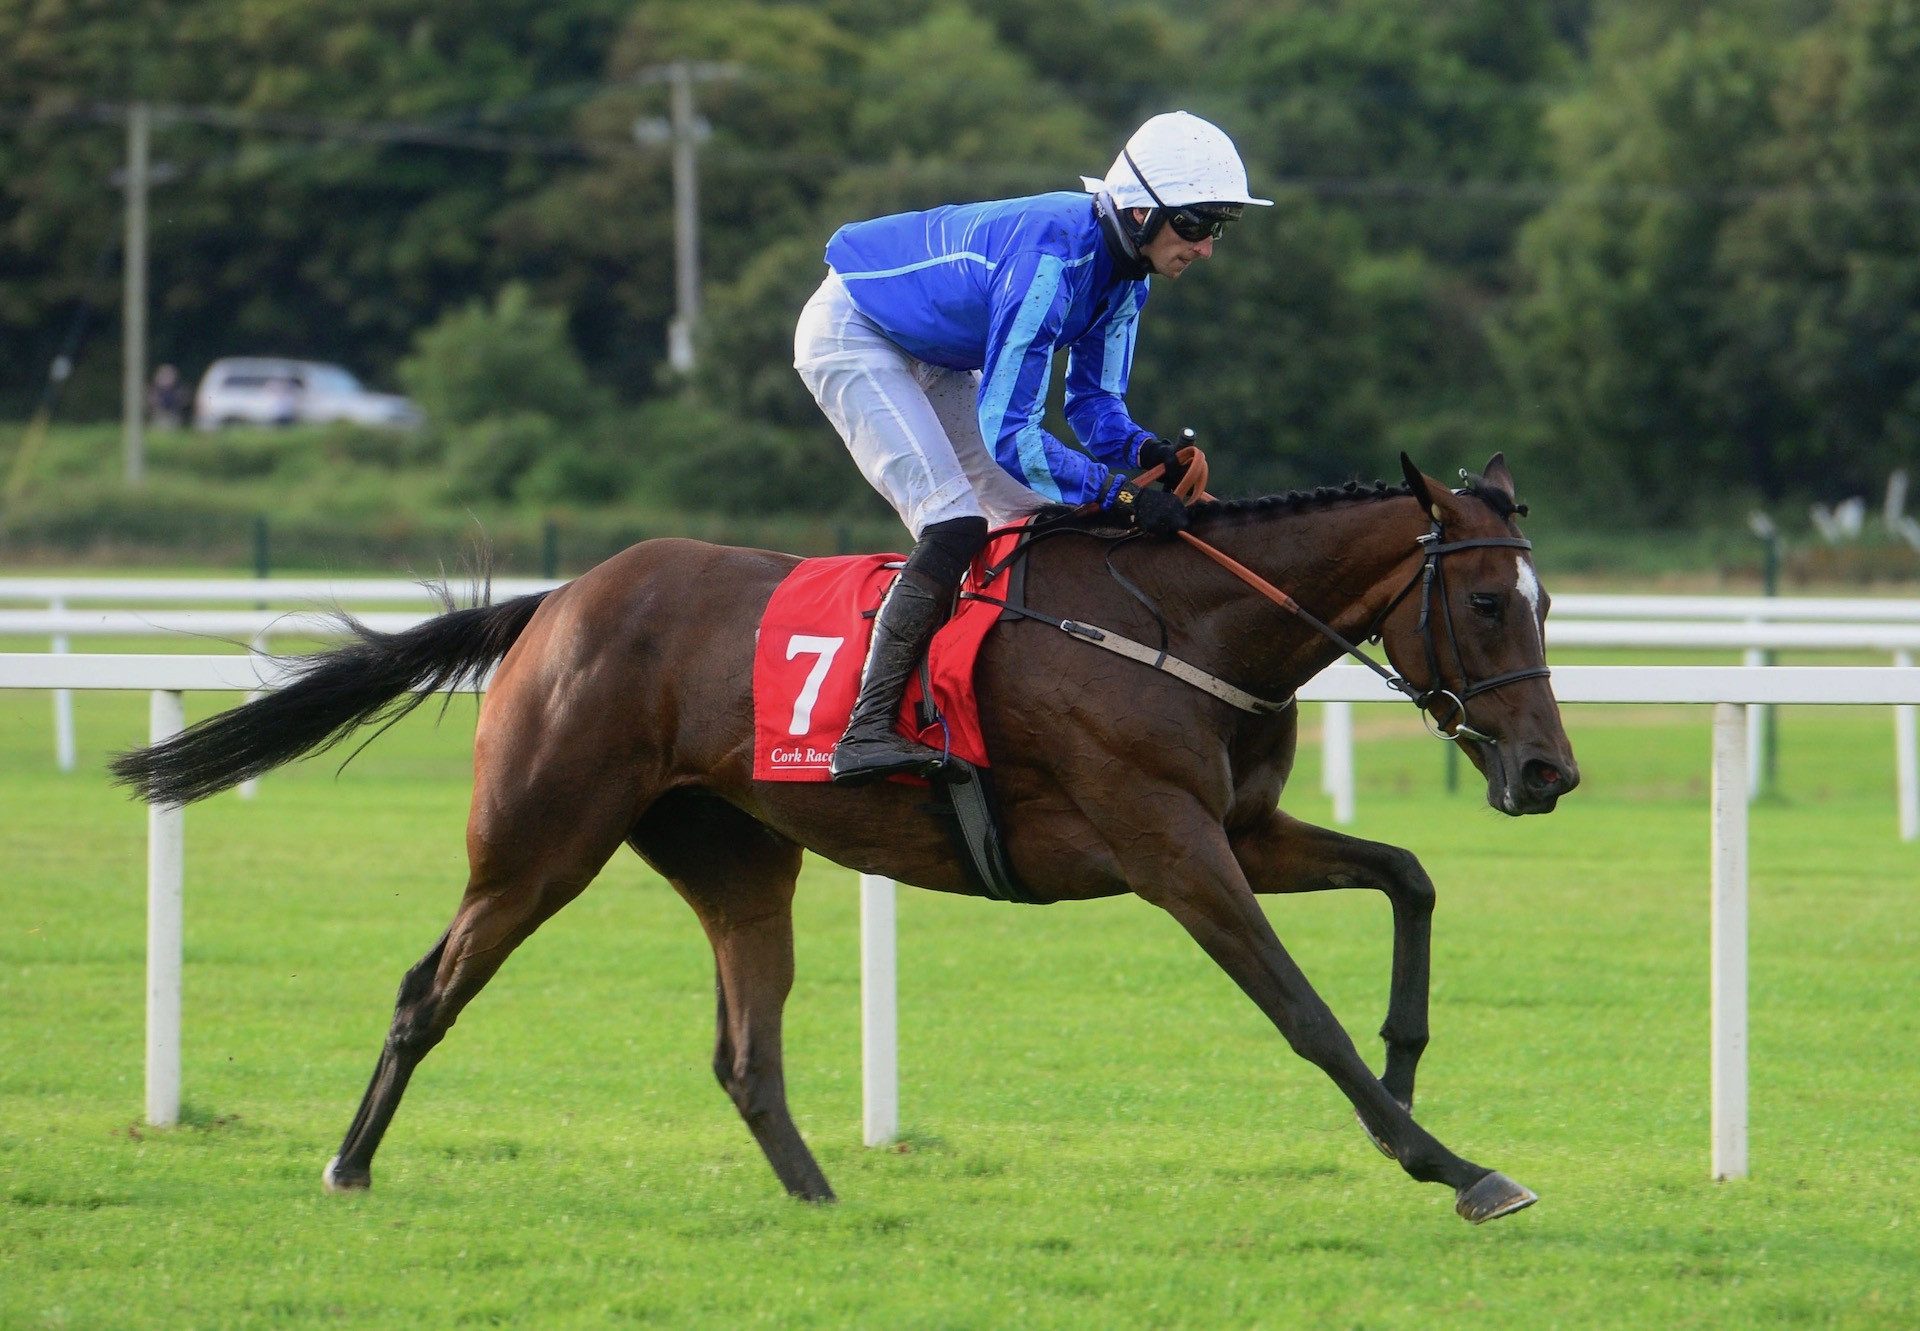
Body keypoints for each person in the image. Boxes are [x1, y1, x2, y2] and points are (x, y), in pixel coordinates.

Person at [793, 110, 1270, 785]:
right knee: (953, 521)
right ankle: (866, 729)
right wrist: (1123, 496)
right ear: (1139, 213)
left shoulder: (1127, 277)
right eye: (1194, 224)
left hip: (936, 353)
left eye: (1217, 227)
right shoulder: (1053, 259)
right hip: (855, 330)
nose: (1207, 247)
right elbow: (1011, 433)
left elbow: (1094, 407)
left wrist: (1146, 453)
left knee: (1034, 518)